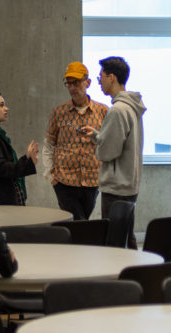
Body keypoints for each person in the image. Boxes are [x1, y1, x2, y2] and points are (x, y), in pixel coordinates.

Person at [81, 56, 146, 249]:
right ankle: (138, 275)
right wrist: (97, 135)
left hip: (116, 188)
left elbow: (108, 153)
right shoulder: (132, 107)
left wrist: (99, 144)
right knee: (127, 236)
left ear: (111, 77)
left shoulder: (117, 110)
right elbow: (121, 143)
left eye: (100, 77)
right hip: (129, 184)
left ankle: (120, 277)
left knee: (114, 243)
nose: (99, 82)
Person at [42, 62, 108, 220]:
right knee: (77, 222)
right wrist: (50, 176)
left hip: (92, 181)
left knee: (82, 221)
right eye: (69, 83)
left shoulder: (103, 111)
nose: (72, 88)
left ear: (88, 82)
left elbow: (108, 145)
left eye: (76, 82)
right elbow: (49, 145)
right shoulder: (59, 112)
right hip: (64, 181)